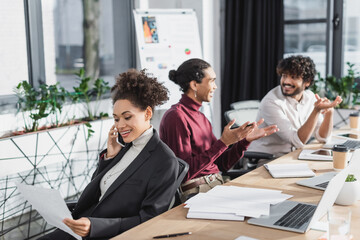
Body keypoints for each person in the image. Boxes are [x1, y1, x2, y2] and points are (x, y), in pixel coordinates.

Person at [39, 69, 179, 240]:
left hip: (108, 233)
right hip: (81, 226)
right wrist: (109, 159)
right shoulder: (123, 147)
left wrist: (94, 227)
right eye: (116, 119)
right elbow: (100, 194)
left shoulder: (164, 161)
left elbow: (149, 220)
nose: (120, 125)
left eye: (127, 117)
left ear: (148, 113)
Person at [159, 58, 278, 201]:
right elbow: (183, 173)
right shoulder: (176, 117)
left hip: (216, 183)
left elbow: (223, 164)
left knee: (270, 196)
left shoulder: (201, 117)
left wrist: (244, 141)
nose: (215, 87)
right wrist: (223, 143)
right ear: (194, 85)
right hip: (197, 191)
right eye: (211, 81)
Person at [248, 55, 342, 157]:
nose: (286, 82)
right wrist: (316, 111)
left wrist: (329, 112)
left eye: (293, 77)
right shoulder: (271, 102)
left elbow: (322, 138)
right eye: (284, 76)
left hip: (294, 155)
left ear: (307, 82)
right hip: (268, 159)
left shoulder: (310, 97)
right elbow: (297, 141)